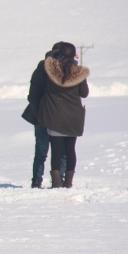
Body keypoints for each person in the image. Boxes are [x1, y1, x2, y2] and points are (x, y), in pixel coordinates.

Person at [37, 42, 90, 188]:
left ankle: (56, 182)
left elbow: (47, 65)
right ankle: (68, 182)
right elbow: (84, 93)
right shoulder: (78, 72)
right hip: (73, 118)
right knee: (70, 150)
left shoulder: (51, 72)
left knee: (56, 151)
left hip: (55, 117)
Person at [22, 43, 67, 188]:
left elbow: (32, 95)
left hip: (40, 117)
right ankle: (59, 179)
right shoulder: (59, 70)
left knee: (41, 152)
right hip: (56, 117)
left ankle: (36, 181)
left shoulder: (40, 69)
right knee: (60, 151)